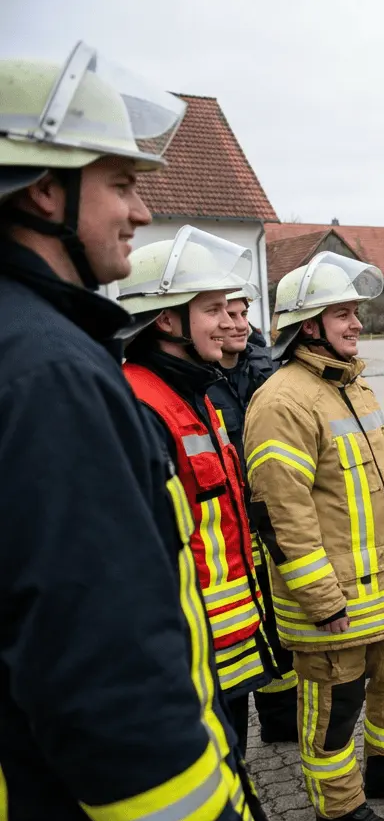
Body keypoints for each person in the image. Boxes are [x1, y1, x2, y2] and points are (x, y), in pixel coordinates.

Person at [0, 41, 265, 821]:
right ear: (46, 191)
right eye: (120, 184)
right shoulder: (53, 373)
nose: (142, 212)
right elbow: (102, 664)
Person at [245, 252, 384, 821]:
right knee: (337, 704)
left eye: (357, 312)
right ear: (308, 324)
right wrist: (319, 598)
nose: (357, 323)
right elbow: (283, 517)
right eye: (343, 314)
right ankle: (336, 805)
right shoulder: (282, 401)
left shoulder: (355, 386)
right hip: (334, 598)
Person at [115, 227, 277, 758]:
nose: (230, 322)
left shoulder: (193, 394)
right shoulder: (141, 405)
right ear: (168, 318)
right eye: (212, 310)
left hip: (221, 634)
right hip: (187, 646)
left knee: (232, 755)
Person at [208, 282, 299, 744]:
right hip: (227, 532)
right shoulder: (197, 380)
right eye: (229, 314)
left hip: (268, 519)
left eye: (245, 314)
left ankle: (281, 720)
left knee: (279, 621)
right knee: (242, 631)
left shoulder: (267, 367)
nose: (240, 323)